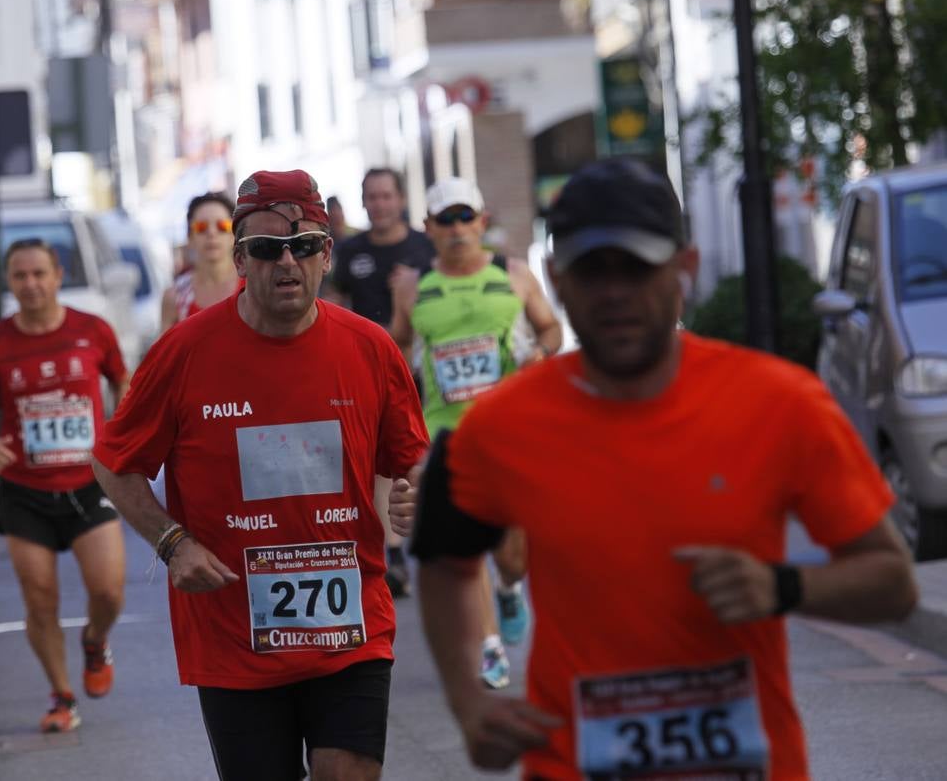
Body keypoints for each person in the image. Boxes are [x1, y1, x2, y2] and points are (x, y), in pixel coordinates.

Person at [412, 158, 919, 779]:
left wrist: (784, 587)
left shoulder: (779, 402)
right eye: (591, 270)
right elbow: (441, 562)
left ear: (686, 269)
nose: (615, 291)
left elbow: (894, 580)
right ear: (555, 279)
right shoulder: (500, 428)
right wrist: (467, 703)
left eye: (638, 266)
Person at [92, 169, 429, 781]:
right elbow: (114, 464)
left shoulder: (370, 348)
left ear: (327, 254)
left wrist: (416, 499)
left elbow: (411, 459)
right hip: (233, 633)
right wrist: (172, 543)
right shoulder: (186, 350)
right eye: (267, 249)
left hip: (347, 626)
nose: (287, 263)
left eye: (303, 247)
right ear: (241, 259)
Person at [389, 177, 561, 691]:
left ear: (482, 222)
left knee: (512, 550)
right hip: (444, 435)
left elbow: (550, 328)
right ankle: (489, 645)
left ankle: (510, 589)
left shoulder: (514, 276)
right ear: (429, 229)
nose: (458, 229)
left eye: (466, 217)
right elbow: (395, 346)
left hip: (509, 431)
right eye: (446, 219)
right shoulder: (412, 286)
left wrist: (539, 353)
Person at [0, 239, 130, 734]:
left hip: (87, 482)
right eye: (19, 276)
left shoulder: (91, 331)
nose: (30, 284)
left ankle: (95, 640)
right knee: (39, 598)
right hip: (24, 490)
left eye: (39, 274)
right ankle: (62, 694)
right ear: (10, 282)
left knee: (109, 591)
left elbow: (124, 380)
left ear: (57, 276)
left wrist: (120, 427)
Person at [328, 167, 435, 598]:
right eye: (371, 197)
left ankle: (426, 538)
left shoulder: (424, 248)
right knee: (382, 464)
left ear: (401, 200)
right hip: (368, 374)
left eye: (387, 196)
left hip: (423, 370)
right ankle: (394, 554)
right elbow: (332, 304)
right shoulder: (351, 251)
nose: (379, 205)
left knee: (420, 458)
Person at [159, 193, 240, 333]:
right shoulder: (175, 297)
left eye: (222, 226)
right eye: (201, 227)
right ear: (190, 237)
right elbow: (166, 353)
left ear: (234, 235)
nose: (212, 233)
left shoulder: (255, 286)